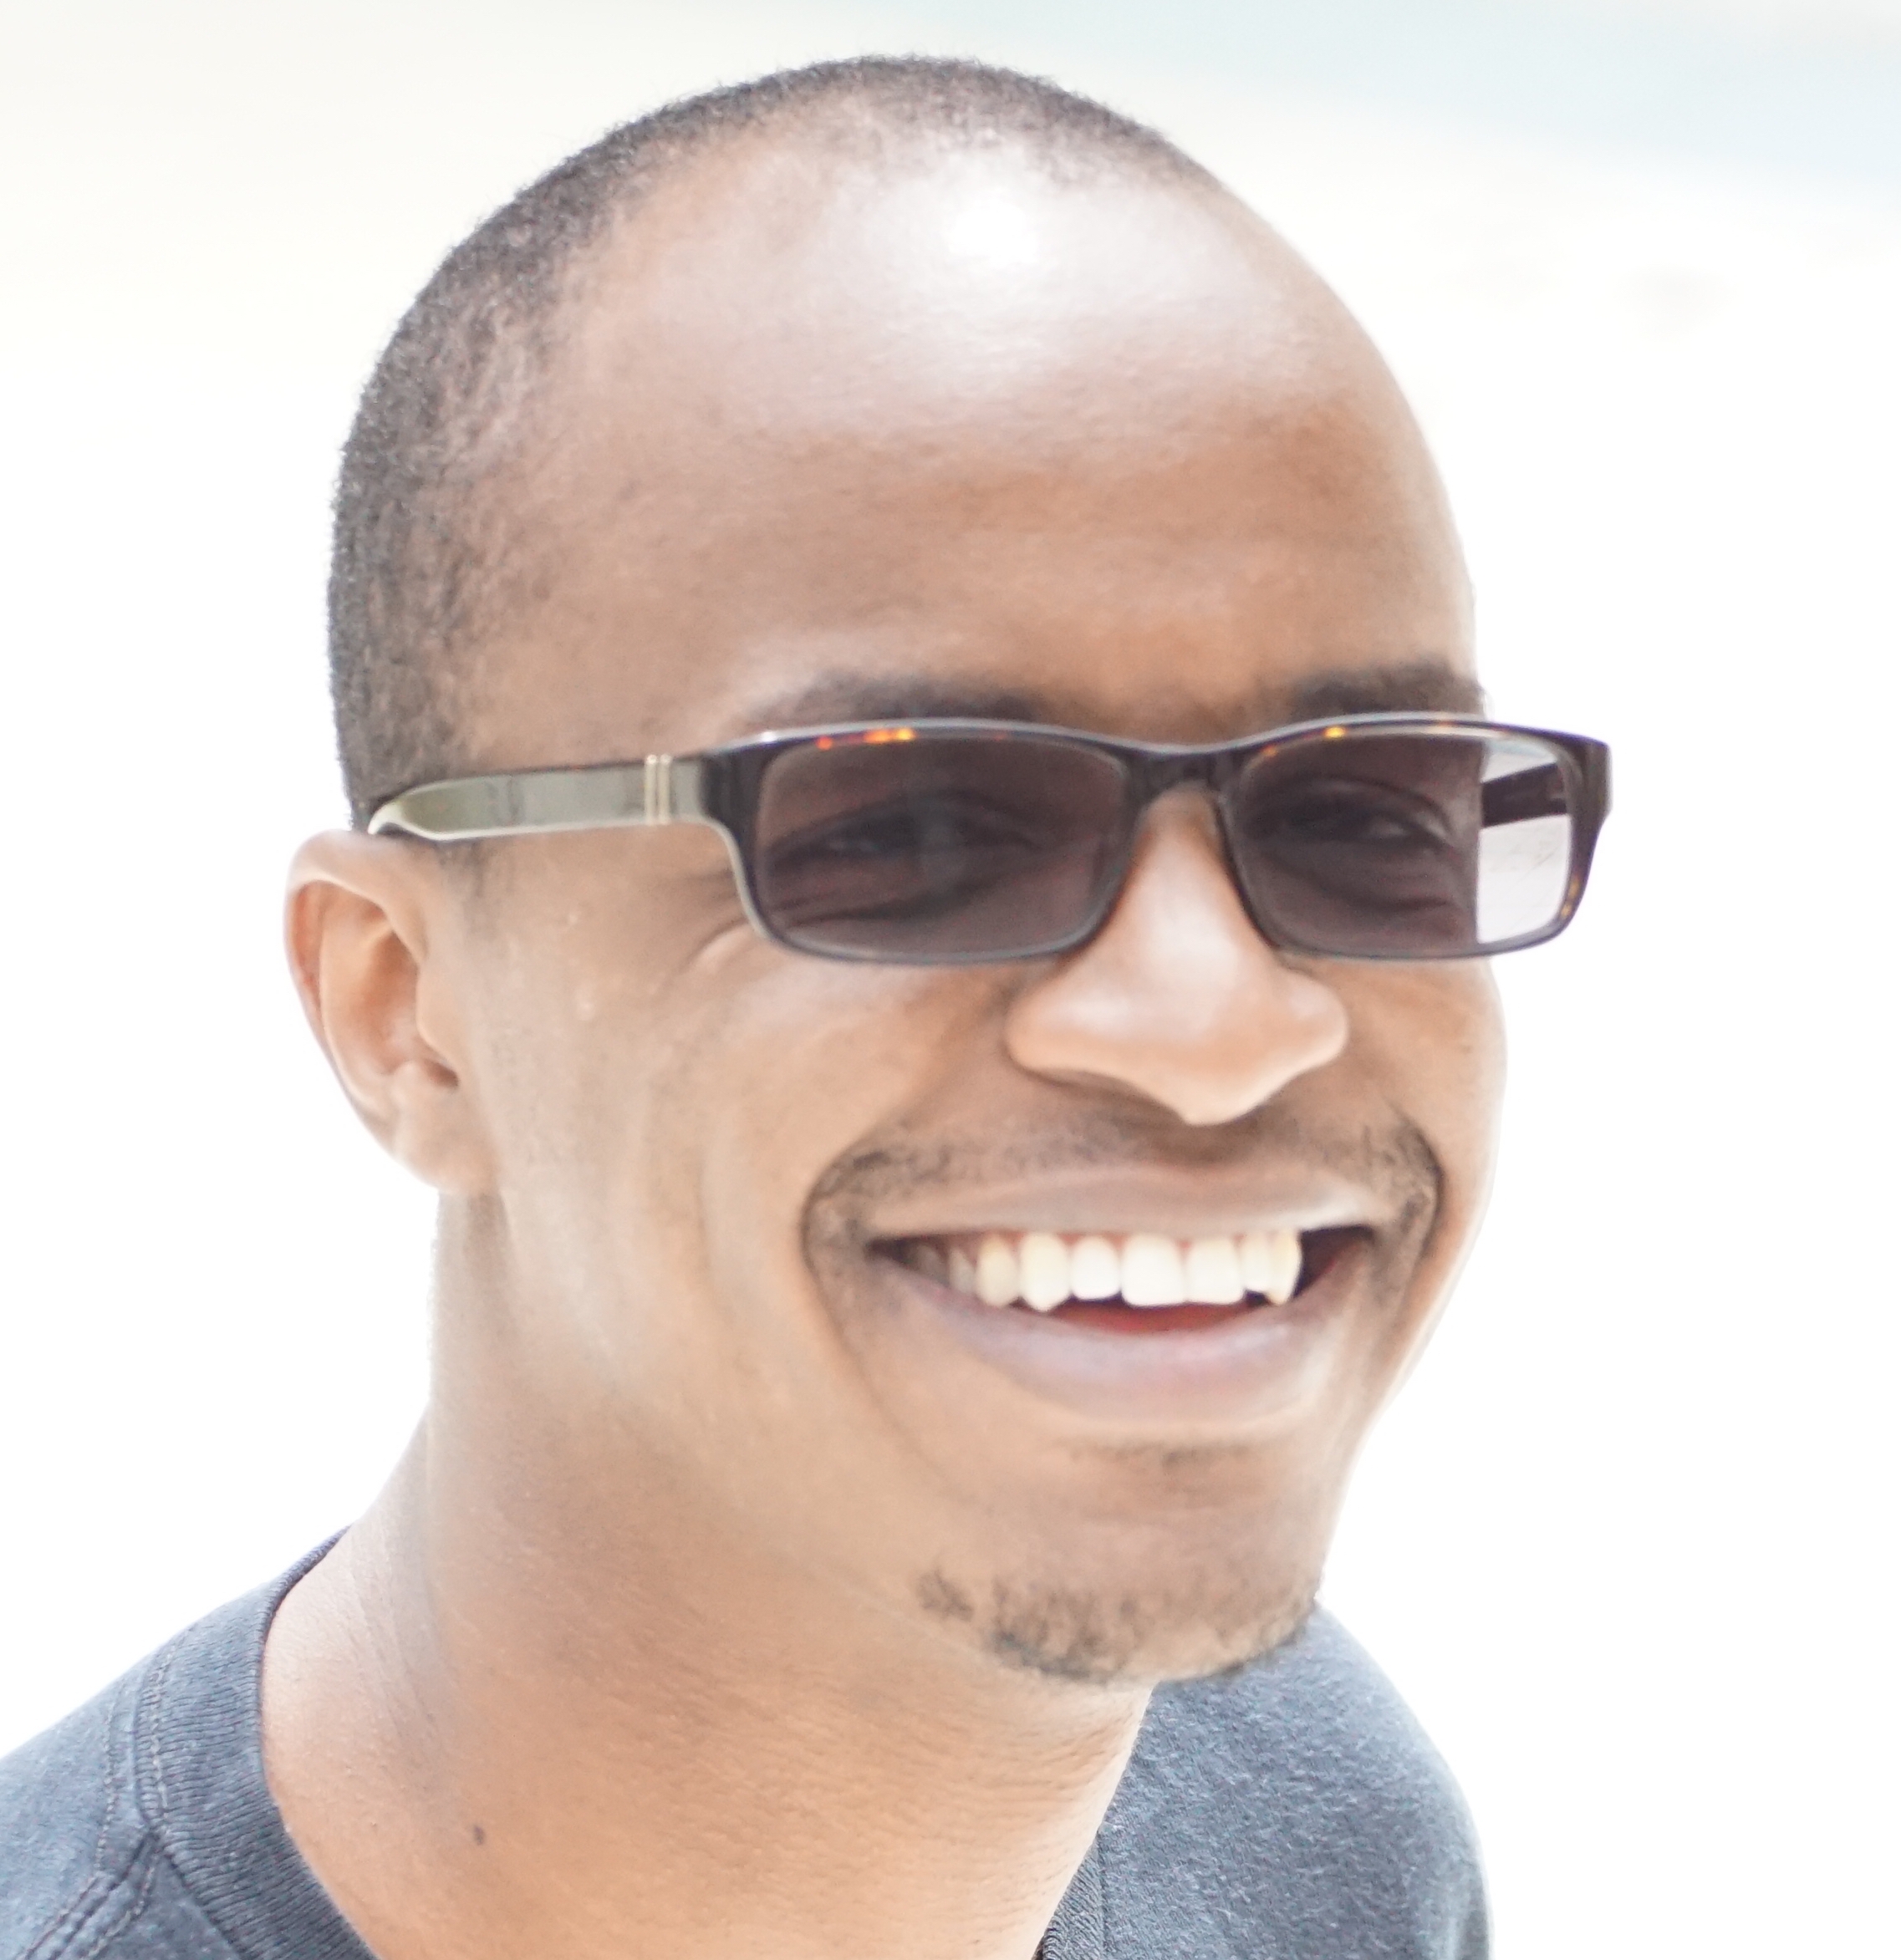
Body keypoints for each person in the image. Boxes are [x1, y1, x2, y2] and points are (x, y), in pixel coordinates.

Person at [0, 56, 1608, 1960]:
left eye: (1363, 817)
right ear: (405, 1010)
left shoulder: (1315, 1833)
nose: (1219, 1024)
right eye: (913, 832)